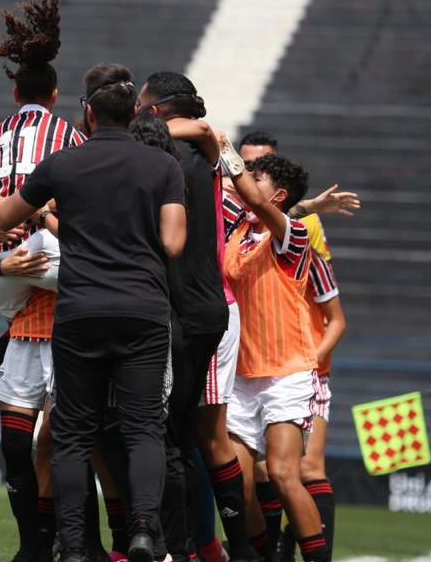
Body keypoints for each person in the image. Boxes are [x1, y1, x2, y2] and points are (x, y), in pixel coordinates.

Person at [0, 63, 186, 562]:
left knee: (73, 434)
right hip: (142, 310)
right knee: (143, 429)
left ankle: (74, 546)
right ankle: (144, 530)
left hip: (80, 310)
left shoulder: (63, 164)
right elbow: (173, 243)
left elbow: (3, 215)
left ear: (89, 114)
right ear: (133, 113)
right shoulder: (163, 168)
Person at [136, 72, 257, 562]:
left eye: (143, 104)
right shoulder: (207, 154)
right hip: (212, 306)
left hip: (180, 308)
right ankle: (226, 548)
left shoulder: (163, 157)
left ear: (159, 109)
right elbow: (226, 159)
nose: (137, 111)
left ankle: (179, 548)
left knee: (167, 434)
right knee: (192, 434)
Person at [235, 133, 347, 562]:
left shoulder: (296, 235)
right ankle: (266, 554)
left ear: (276, 194)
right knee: (238, 482)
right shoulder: (238, 229)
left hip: (289, 370)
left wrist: (219, 150)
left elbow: (336, 317)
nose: (245, 176)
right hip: (242, 372)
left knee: (287, 473)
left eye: (255, 173)